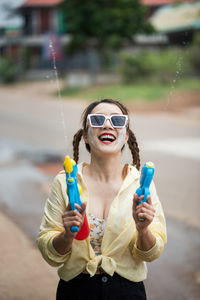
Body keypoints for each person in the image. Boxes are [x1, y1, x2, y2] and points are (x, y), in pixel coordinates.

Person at [37, 99, 167, 300]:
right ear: (86, 137)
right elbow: (50, 255)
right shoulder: (64, 183)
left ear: (126, 136)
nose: (107, 125)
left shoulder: (142, 185)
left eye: (117, 120)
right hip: (75, 290)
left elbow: (150, 253)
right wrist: (67, 235)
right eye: (97, 120)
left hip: (128, 291)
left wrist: (143, 230)